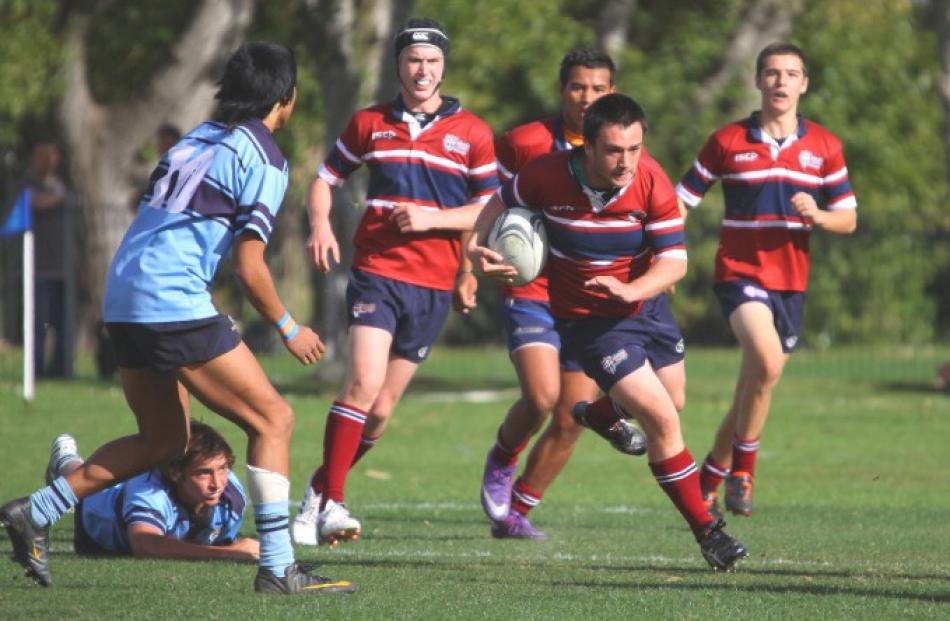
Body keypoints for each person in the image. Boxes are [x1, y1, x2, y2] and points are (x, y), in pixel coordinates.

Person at [0, 41, 355, 595]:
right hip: (171, 303)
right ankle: (279, 568)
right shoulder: (264, 158)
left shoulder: (195, 138)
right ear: (287, 99)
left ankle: (38, 509)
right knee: (274, 421)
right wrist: (289, 327)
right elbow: (248, 264)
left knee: (165, 439)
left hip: (123, 298)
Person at [469, 93, 747, 570]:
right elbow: (497, 201)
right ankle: (708, 531)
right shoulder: (546, 173)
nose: (627, 162)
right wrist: (476, 248)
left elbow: (675, 261)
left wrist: (632, 289)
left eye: (635, 148)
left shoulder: (651, 181)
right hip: (590, 323)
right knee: (662, 418)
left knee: (674, 398)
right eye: (616, 151)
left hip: (646, 305)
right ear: (588, 147)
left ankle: (599, 413)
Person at [293, 17, 499, 547]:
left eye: (431, 61)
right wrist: (319, 223)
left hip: (432, 286)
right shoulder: (370, 124)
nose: (423, 70)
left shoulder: (472, 133)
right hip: (377, 273)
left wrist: (454, 250)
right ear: (398, 66)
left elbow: (490, 208)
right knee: (361, 384)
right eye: (413, 60)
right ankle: (334, 503)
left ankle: (317, 493)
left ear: (443, 66)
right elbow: (324, 180)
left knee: (380, 414)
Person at [675, 42, 857, 519]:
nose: (780, 81)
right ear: (758, 82)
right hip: (739, 274)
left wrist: (818, 214)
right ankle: (744, 473)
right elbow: (679, 203)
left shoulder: (824, 146)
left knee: (756, 385)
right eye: (771, 73)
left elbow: (848, 219)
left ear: (804, 84)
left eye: (790, 73)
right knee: (767, 360)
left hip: (791, 283)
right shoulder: (727, 141)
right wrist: (663, 256)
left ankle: (710, 475)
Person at [480, 47, 651, 541]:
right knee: (540, 396)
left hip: (588, 298)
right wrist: (474, 262)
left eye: (598, 88)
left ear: (612, 93)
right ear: (562, 91)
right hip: (532, 286)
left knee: (573, 415)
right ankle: (502, 457)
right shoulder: (524, 142)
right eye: (578, 87)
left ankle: (517, 512)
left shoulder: (626, 150)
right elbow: (491, 205)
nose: (586, 97)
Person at [45, 423, 259, 562]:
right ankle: (64, 459)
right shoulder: (150, 492)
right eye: (203, 473)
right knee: (80, 480)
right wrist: (228, 554)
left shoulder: (232, 495)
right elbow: (146, 544)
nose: (217, 483)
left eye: (222, 469)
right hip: (94, 516)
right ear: (176, 473)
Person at [23, 140, 75, 378]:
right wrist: (61, 197)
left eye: (50, 155)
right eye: (42, 155)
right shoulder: (27, 184)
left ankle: (61, 371)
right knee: (38, 325)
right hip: (38, 268)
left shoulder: (60, 185)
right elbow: (36, 202)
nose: (47, 160)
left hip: (63, 268)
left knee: (63, 325)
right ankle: (35, 371)